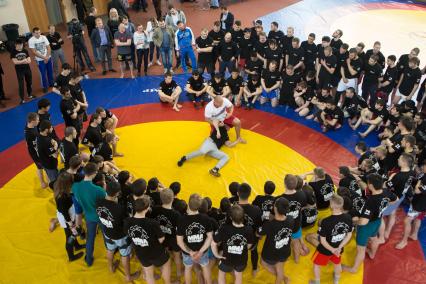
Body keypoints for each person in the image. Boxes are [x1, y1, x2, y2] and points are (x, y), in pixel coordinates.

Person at [343, 173, 397, 273]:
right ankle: (372, 254)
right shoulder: (386, 192)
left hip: (367, 226)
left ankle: (353, 269)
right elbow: (395, 199)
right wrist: (384, 206)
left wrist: (355, 221)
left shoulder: (371, 201)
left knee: (361, 249)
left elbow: (363, 222)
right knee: (374, 238)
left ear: (371, 186)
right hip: (378, 221)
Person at [96, 181, 140, 281]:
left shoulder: (98, 202)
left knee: (110, 250)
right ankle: (128, 277)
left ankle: (110, 267)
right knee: (125, 255)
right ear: (117, 193)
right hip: (120, 236)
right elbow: (125, 222)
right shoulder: (119, 209)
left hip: (107, 233)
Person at [124, 196, 172, 284]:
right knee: (166, 264)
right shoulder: (152, 223)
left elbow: (129, 235)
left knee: (149, 275)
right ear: (146, 209)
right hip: (155, 251)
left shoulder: (127, 221)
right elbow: (161, 239)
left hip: (141, 253)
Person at [310, 194, 353, 284]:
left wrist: (332, 250)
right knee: (337, 264)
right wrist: (339, 247)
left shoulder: (326, 221)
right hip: (338, 249)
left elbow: (322, 240)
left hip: (325, 250)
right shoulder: (348, 218)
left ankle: (317, 282)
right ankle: (336, 282)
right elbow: (349, 235)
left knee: (316, 265)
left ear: (331, 205)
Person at [72, 162, 106, 266]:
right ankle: (111, 251)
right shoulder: (98, 190)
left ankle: (89, 259)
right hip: (100, 216)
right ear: (95, 173)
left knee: (90, 238)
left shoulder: (75, 186)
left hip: (88, 216)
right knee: (106, 235)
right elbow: (105, 203)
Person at [212, 204, 254, 284]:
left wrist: (217, 255)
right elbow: (249, 245)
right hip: (241, 260)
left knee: (221, 274)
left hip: (226, 259)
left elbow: (213, 243)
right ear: (243, 217)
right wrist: (240, 249)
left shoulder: (224, 228)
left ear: (230, 218)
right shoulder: (249, 229)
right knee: (238, 275)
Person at [258, 197, 294, 284]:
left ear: (275, 208)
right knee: (280, 268)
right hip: (284, 250)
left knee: (263, 262)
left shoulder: (270, 224)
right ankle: (283, 277)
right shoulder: (291, 219)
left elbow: (258, 233)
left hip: (271, 253)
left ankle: (282, 278)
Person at [149, 189, 183, 280]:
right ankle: (179, 273)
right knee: (177, 255)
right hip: (172, 238)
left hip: (160, 237)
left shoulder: (155, 209)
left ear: (161, 198)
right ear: (173, 199)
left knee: (165, 252)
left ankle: (163, 271)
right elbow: (179, 230)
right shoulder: (176, 214)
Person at [54, 172, 85, 262]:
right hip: (67, 218)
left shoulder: (59, 188)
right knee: (70, 236)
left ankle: (77, 246)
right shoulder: (62, 197)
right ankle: (71, 256)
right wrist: (71, 225)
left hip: (69, 213)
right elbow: (65, 213)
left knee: (72, 234)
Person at [396, 161, 426, 249]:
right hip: (422, 203)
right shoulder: (423, 175)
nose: (423, 167)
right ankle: (414, 234)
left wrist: (417, 184)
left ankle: (404, 241)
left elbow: (417, 190)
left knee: (407, 220)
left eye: (425, 165)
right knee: (418, 218)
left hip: (420, 204)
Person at [280, 174, 308, 263]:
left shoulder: (280, 199)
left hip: (285, 226)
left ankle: (285, 258)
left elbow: (278, 214)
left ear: (284, 184)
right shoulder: (301, 194)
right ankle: (296, 259)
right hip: (296, 224)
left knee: (285, 242)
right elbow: (303, 206)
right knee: (295, 241)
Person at [25, 113, 47, 188]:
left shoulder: (29, 127)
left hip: (34, 151)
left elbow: (27, 143)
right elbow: (34, 145)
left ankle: (43, 181)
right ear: (32, 121)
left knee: (40, 167)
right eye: (37, 120)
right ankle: (44, 182)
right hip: (36, 153)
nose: (39, 121)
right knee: (43, 167)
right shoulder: (31, 133)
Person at [28, 27, 53, 93]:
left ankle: (51, 83)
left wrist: (47, 57)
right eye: (36, 33)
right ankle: (45, 87)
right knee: (43, 74)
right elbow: (34, 52)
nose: (38, 34)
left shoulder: (44, 37)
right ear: (33, 33)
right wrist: (44, 58)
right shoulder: (31, 40)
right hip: (40, 60)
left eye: (39, 32)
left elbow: (49, 48)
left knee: (50, 71)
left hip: (48, 58)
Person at [11, 39, 33, 104]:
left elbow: (29, 61)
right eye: (19, 45)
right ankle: (22, 99)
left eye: (22, 45)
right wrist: (24, 61)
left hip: (27, 69)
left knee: (29, 82)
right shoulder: (13, 52)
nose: (21, 46)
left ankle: (30, 94)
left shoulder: (25, 50)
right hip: (19, 70)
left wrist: (21, 61)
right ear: (16, 45)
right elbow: (15, 62)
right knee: (21, 84)